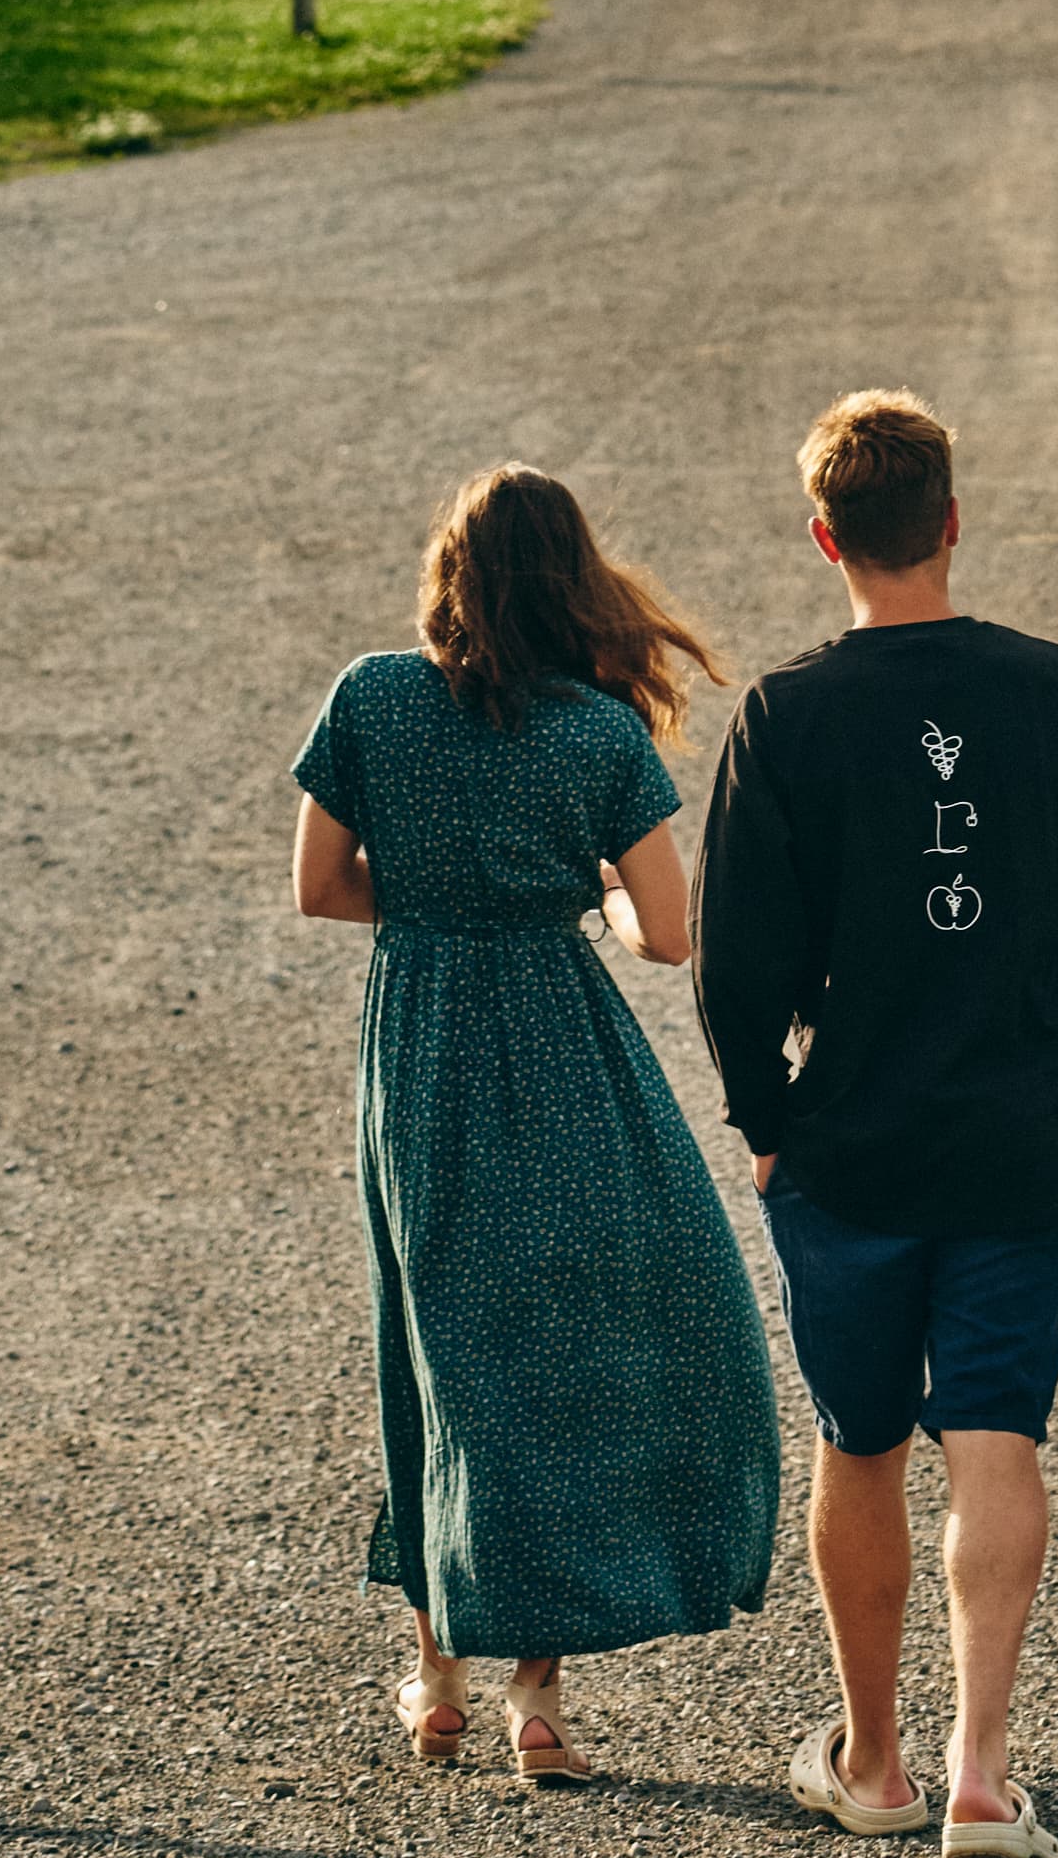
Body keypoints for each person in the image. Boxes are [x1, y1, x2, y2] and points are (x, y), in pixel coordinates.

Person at [692, 388, 1058, 1858]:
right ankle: (981, 1776)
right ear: (954, 522)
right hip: (1016, 1134)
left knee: (858, 1444)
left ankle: (873, 1759)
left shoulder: (786, 713)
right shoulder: (1053, 689)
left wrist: (764, 1115)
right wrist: (1041, 979)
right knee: (994, 1436)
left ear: (823, 536)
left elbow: (738, 964)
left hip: (846, 1140)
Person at [291, 464, 778, 1787]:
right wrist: (579, 897)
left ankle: (437, 1667)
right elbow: (666, 932)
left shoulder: (371, 697)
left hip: (422, 1044)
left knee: (437, 1336)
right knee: (565, 1341)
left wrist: (446, 893)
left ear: (451, 573)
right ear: (574, 580)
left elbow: (320, 889)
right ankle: (540, 1699)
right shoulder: (599, 735)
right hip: (564, 1042)